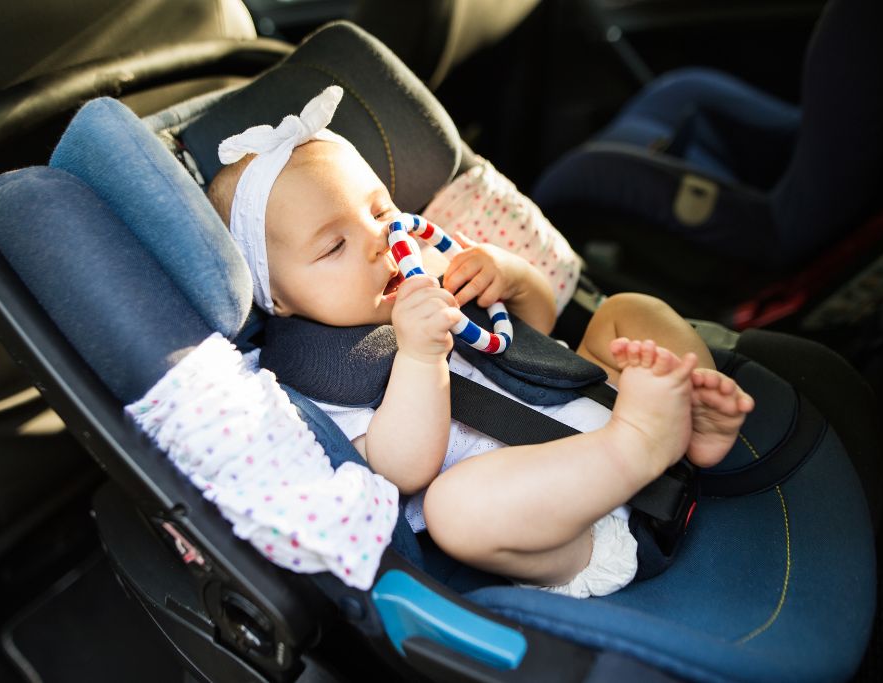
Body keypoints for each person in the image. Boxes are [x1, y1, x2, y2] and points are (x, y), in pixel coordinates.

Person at [207, 86, 754, 598]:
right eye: (333, 247)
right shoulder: (310, 381)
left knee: (626, 310)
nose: (379, 242)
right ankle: (639, 446)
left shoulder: (437, 267)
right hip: (560, 515)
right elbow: (401, 469)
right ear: (277, 298)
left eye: (378, 211)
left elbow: (532, 337)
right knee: (453, 510)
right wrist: (421, 357)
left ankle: (694, 412)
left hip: (595, 401)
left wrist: (513, 278)